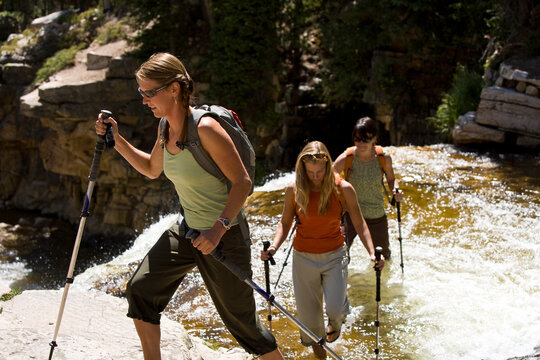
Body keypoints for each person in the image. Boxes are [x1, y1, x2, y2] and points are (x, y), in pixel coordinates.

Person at [95, 52, 284, 360]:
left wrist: (218, 229)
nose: (144, 100)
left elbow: (243, 182)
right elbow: (152, 169)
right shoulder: (164, 128)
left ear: (174, 89)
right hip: (187, 230)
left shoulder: (205, 128)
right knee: (141, 290)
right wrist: (116, 140)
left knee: (243, 326)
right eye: (140, 92)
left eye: (149, 92)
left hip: (225, 236)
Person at [260, 141, 384, 359]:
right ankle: (322, 357)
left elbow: (359, 222)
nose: (315, 177)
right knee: (310, 323)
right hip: (303, 259)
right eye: (310, 172)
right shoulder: (294, 189)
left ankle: (335, 322)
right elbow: (285, 223)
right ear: (302, 170)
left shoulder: (343, 189)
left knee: (335, 310)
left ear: (328, 167)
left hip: (334, 256)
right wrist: (274, 247)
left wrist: (372, 252)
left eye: (319, 172)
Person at [333, 116, 404, 260]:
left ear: (374, 138)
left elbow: (391, 179)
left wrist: (396, 190)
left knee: (383, 256)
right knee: (338, 252)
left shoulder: (383, 158)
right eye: (357, 139)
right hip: (351, 213)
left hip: (376, 213)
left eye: (366, 139)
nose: (361, 143)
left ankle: (382, 282)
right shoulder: (348, 157)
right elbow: (330, 176)